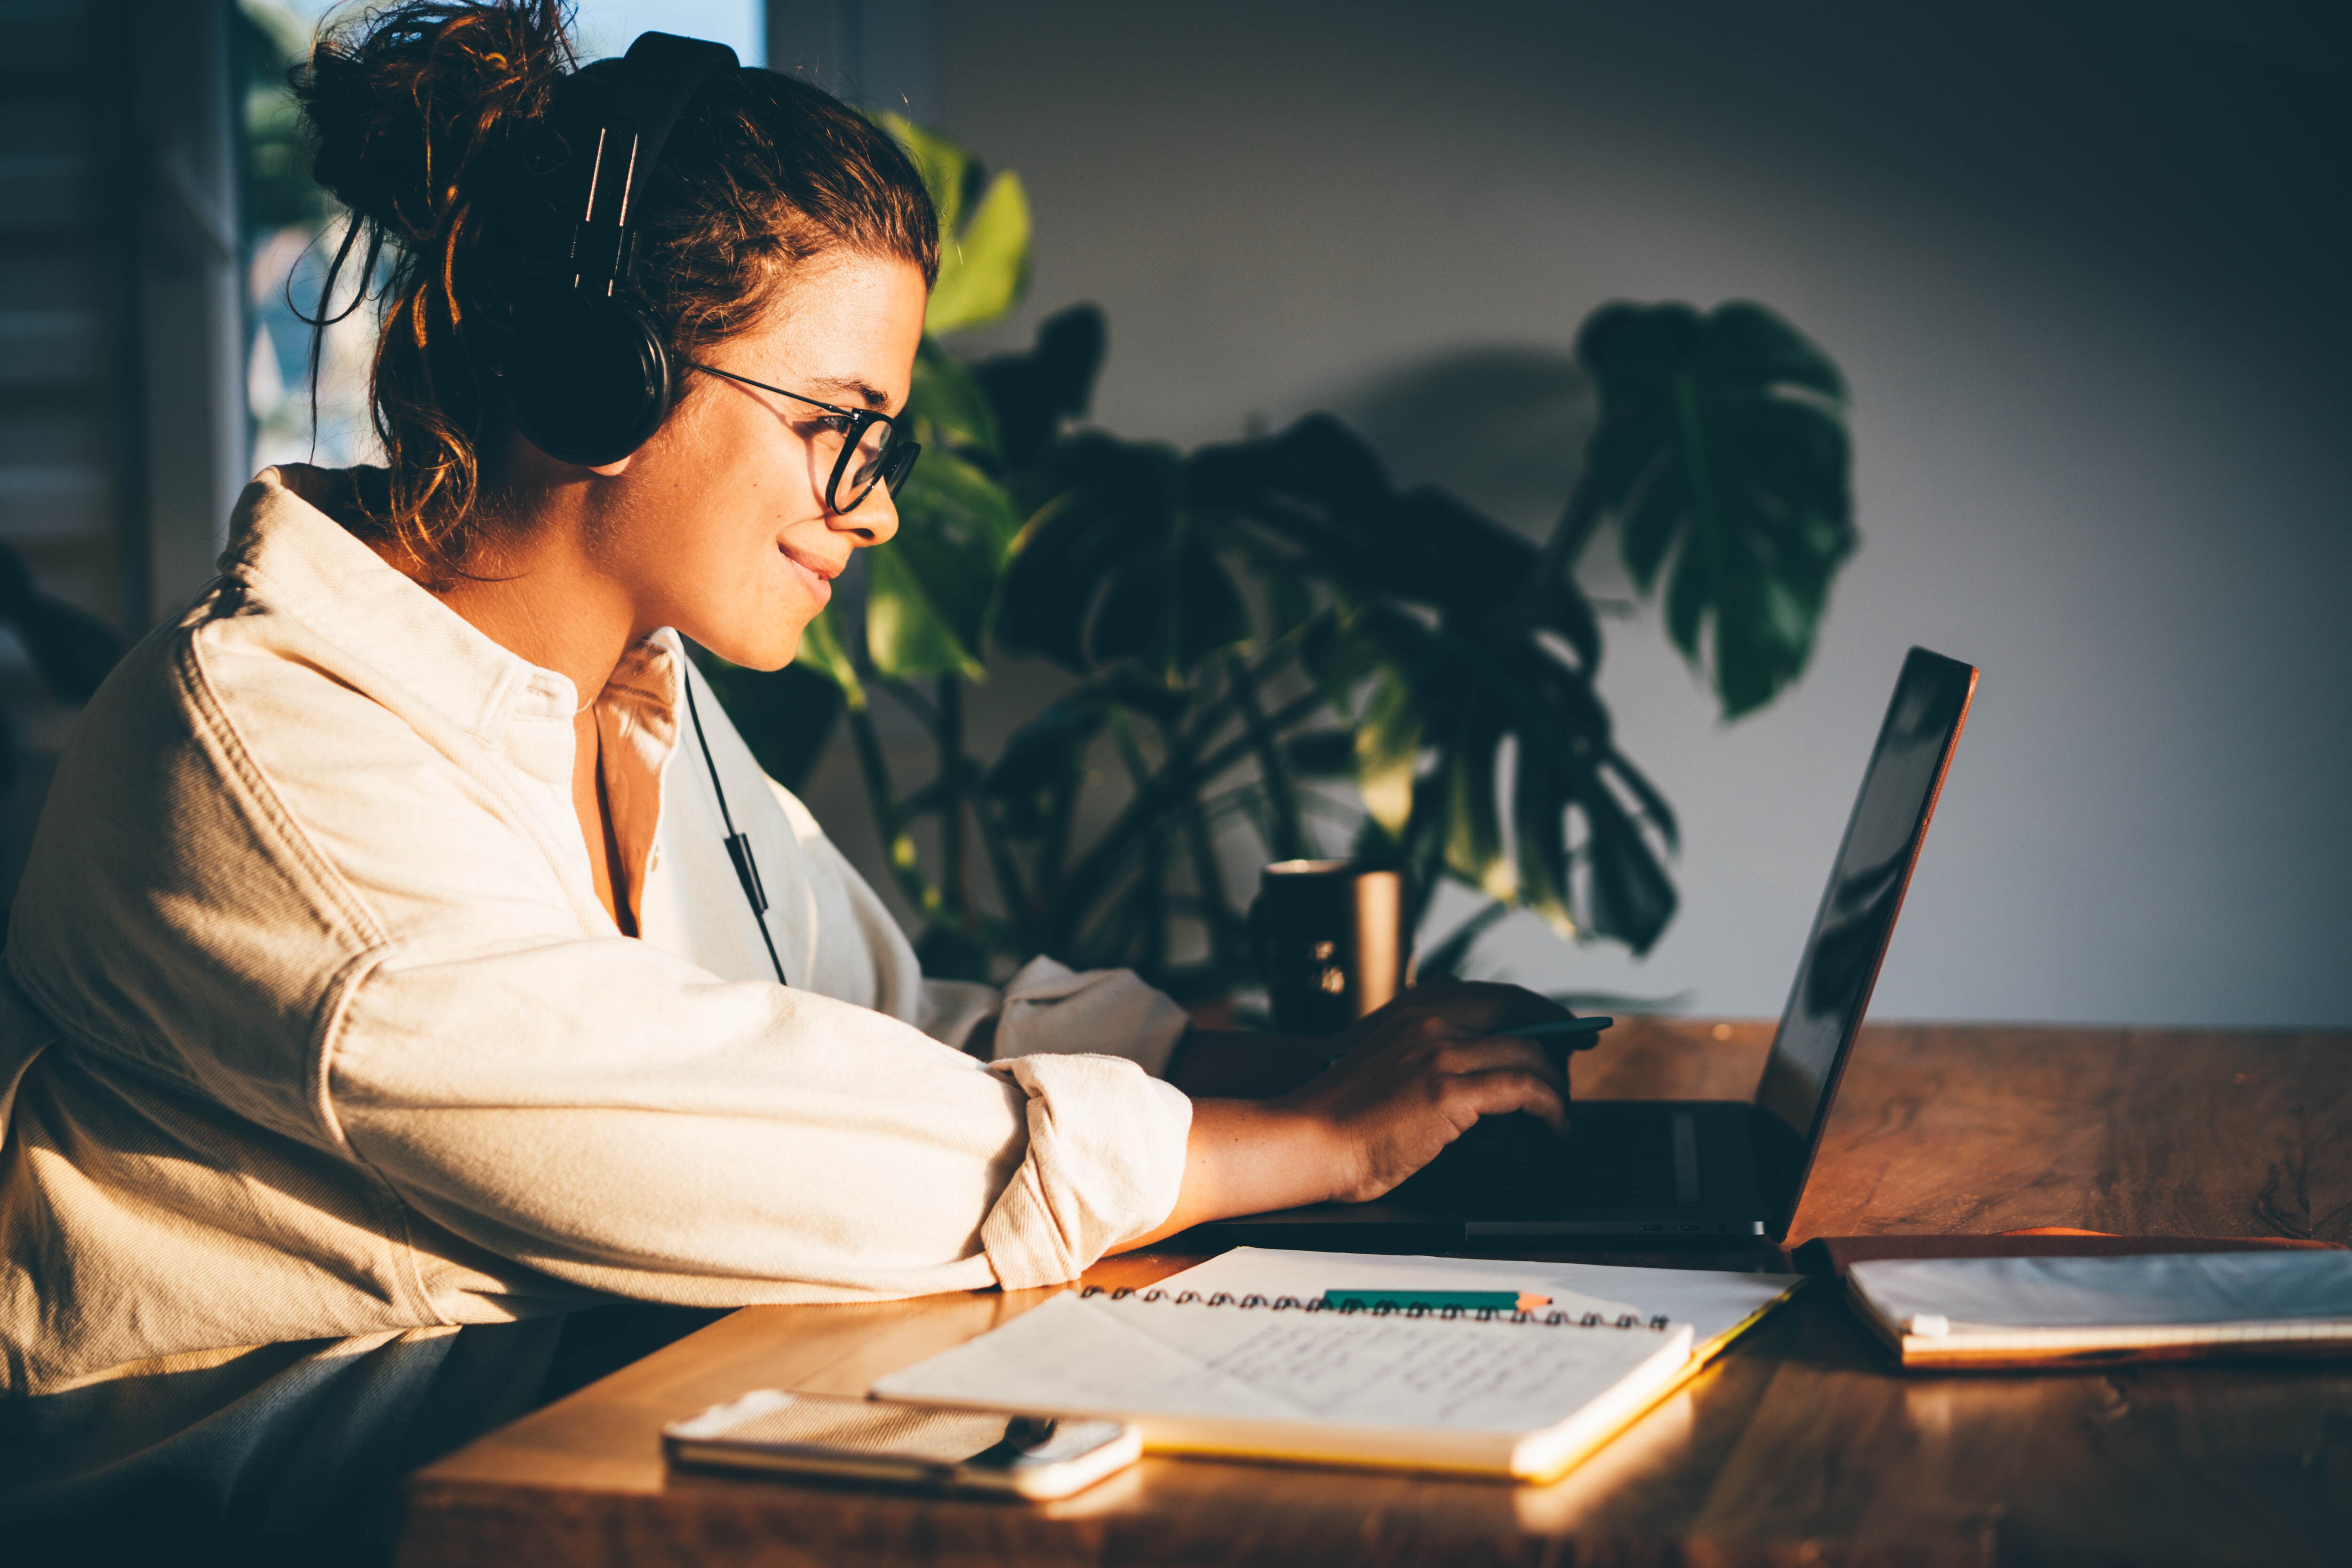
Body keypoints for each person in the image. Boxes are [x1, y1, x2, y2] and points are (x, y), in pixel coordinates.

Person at [0, 0, 1569, 1547]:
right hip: (290, 1498)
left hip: (540, 1423)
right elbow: (693, 1134)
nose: (874, 513)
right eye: (841, 427)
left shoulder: (619, 681)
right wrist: (1307, 1146)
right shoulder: (275, 754)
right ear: (596, 378)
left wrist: (1278, 1073)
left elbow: (861, 1028)